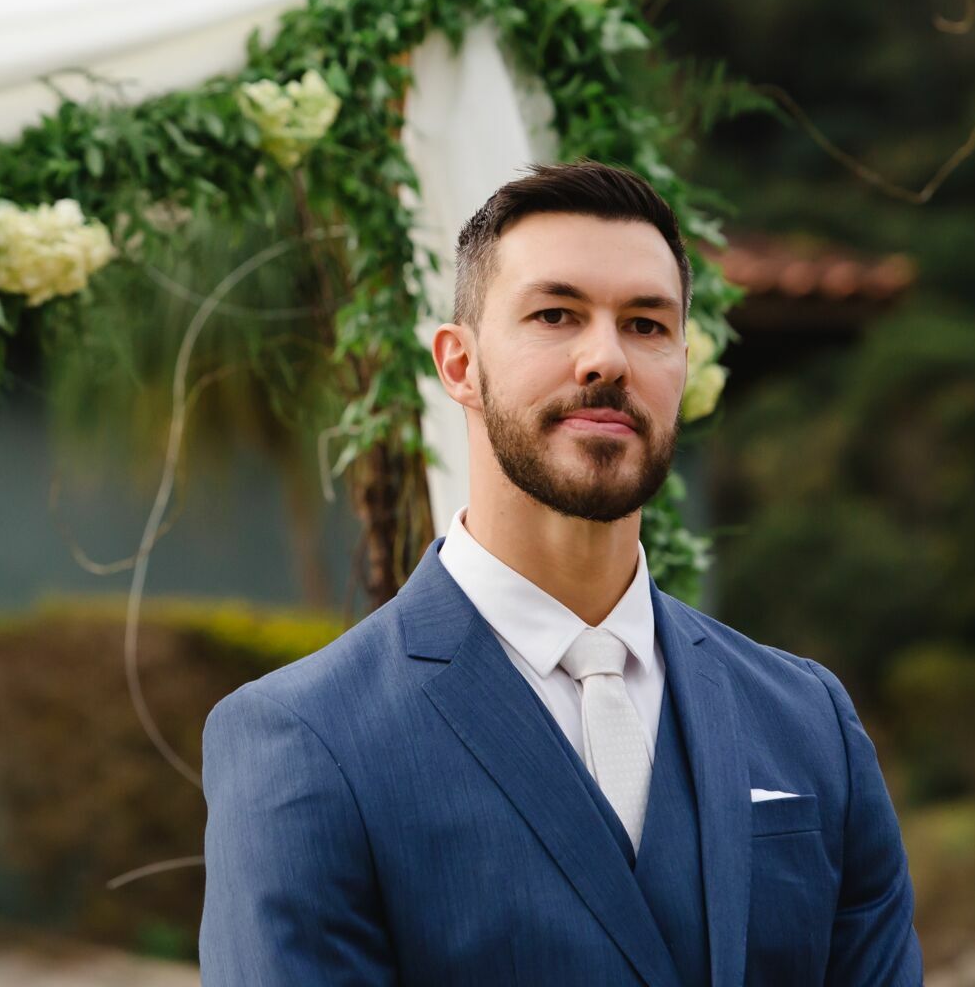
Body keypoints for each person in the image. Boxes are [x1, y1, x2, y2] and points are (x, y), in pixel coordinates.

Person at [198, 161, 922, 985]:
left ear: (684, 367)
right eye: (555, 314)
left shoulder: (810, 722)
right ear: (459, 365)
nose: (604, 359)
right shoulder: (304, 739)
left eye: (647, 325)